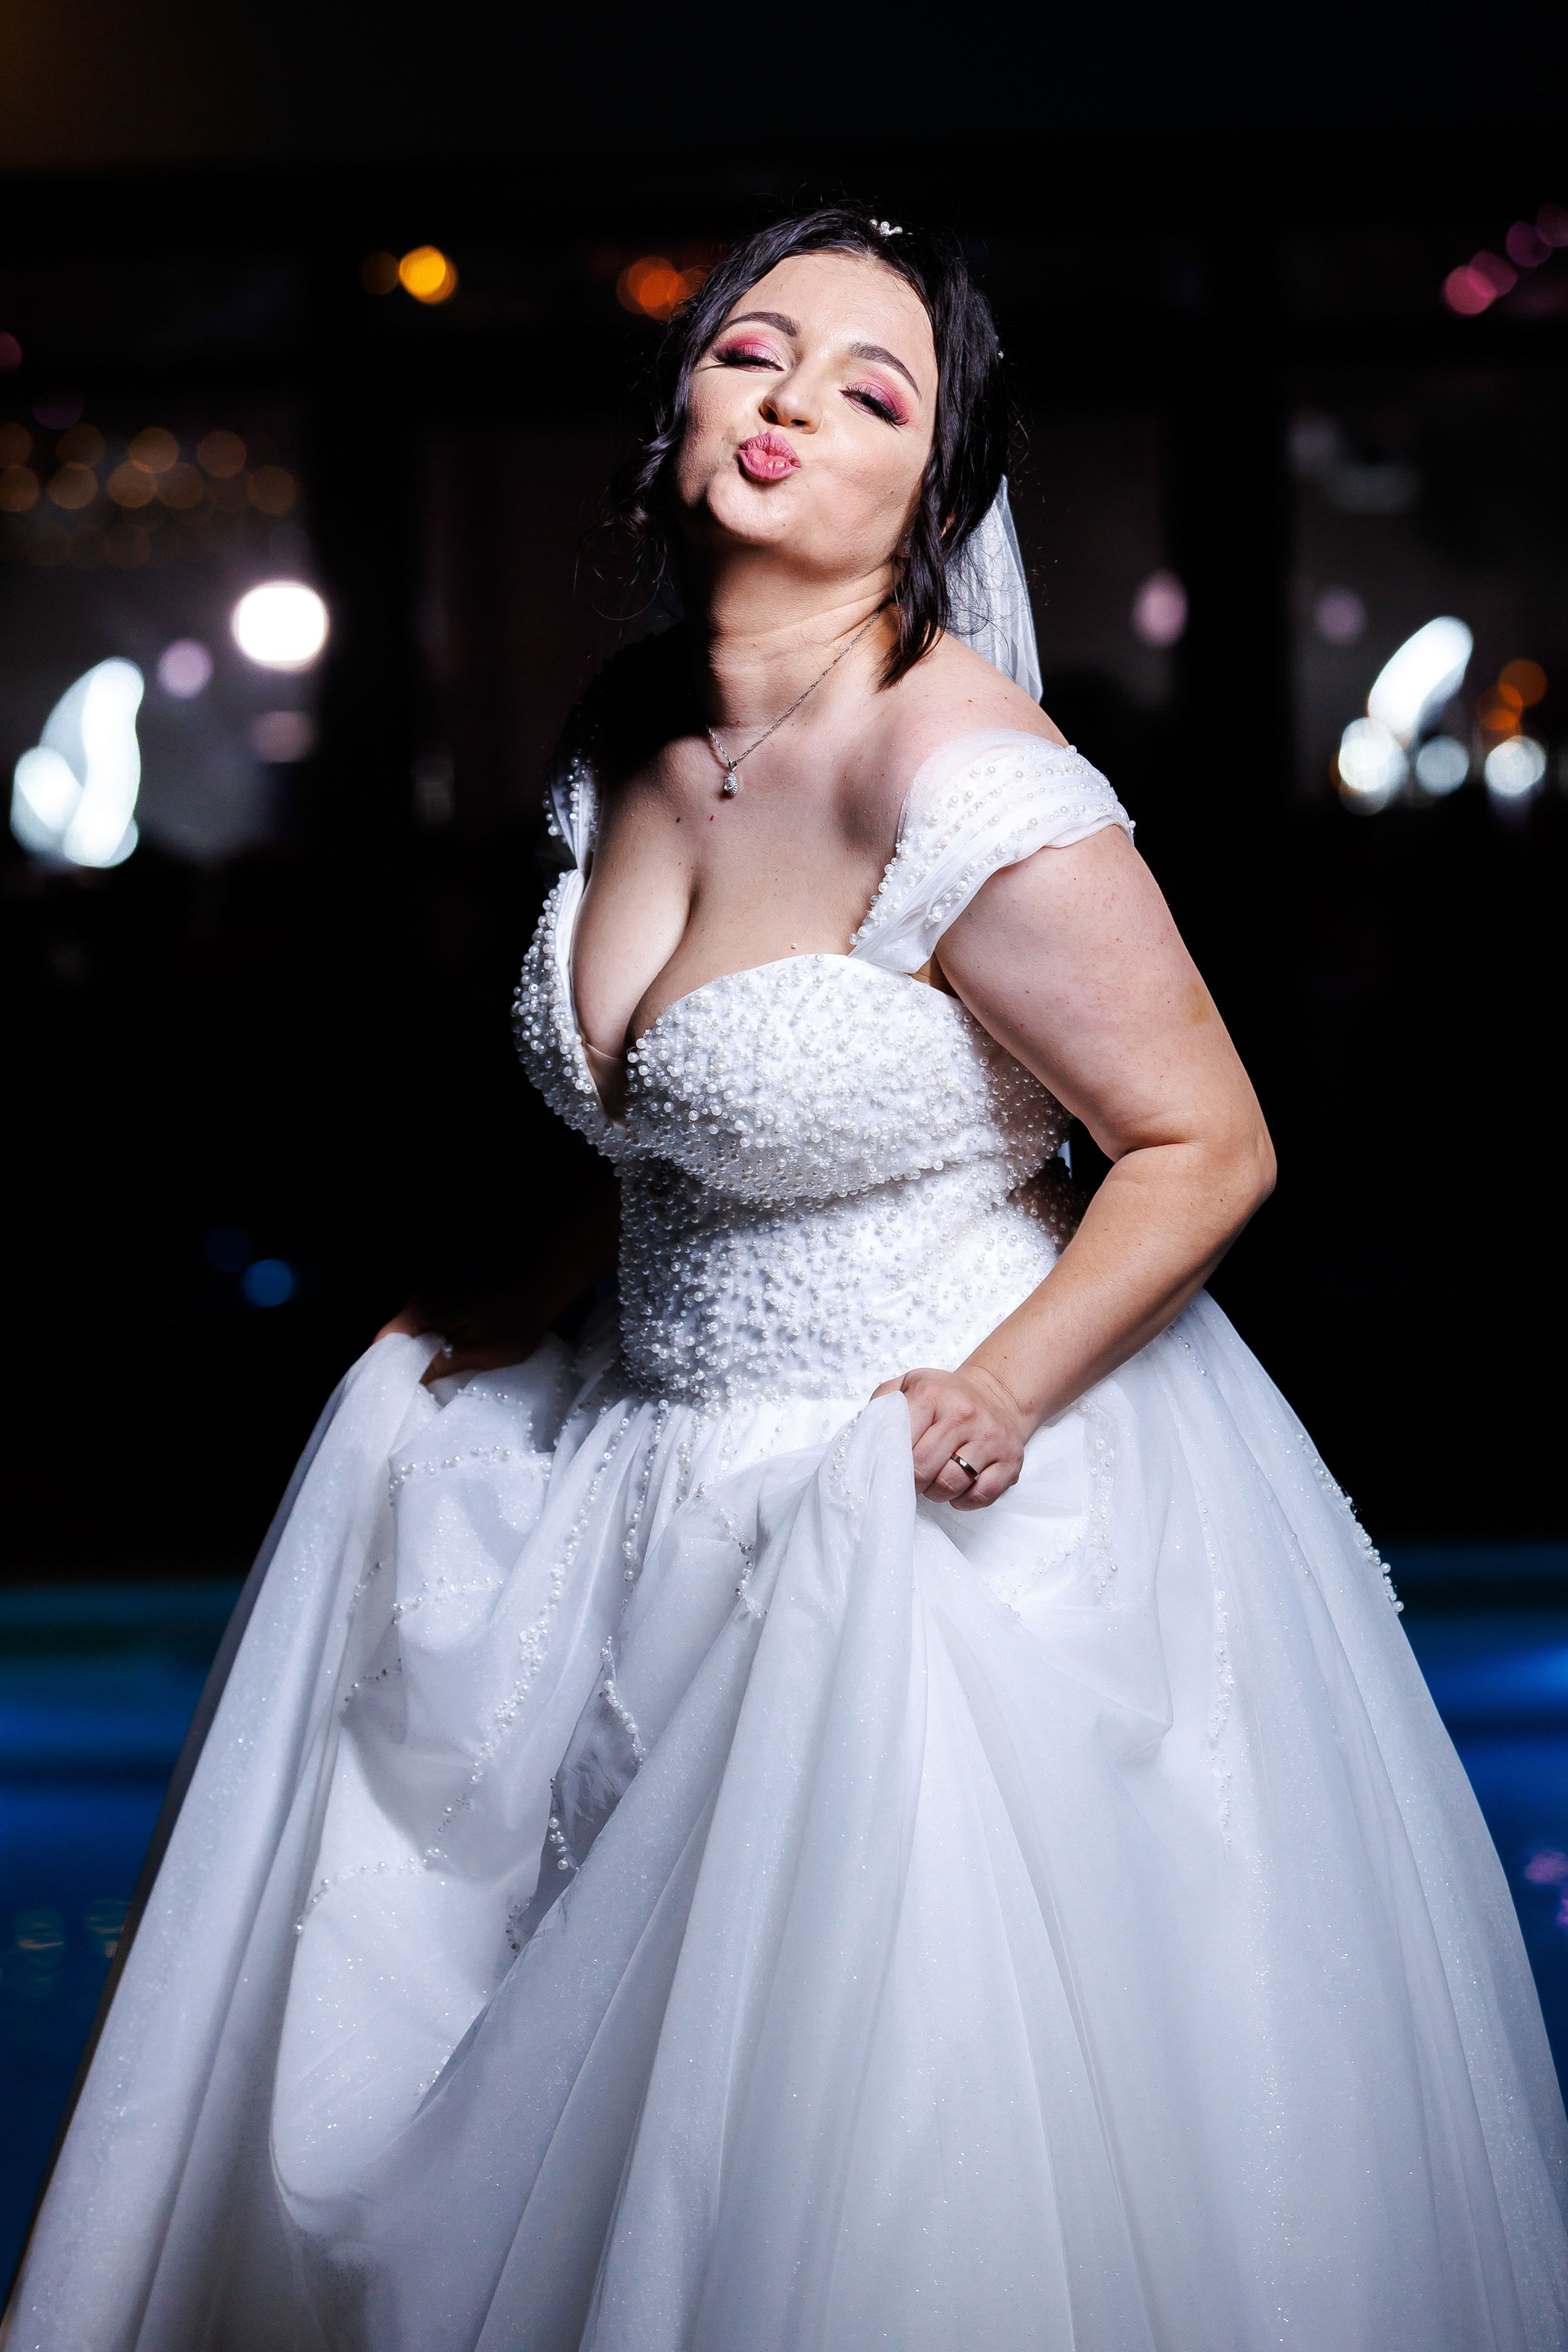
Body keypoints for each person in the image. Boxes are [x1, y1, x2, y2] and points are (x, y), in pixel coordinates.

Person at [8, 207, 1567, 2352]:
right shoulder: (628, 728)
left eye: (870, 388)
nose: (791, 405)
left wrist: (1000, 1391)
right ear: (679, 407)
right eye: (754, 353)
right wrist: (538, 1289)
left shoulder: (972, 778)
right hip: (640, 1468)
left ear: (935, 490)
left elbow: (1209, 1145)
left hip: (909, 1509)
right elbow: (674, 1110)